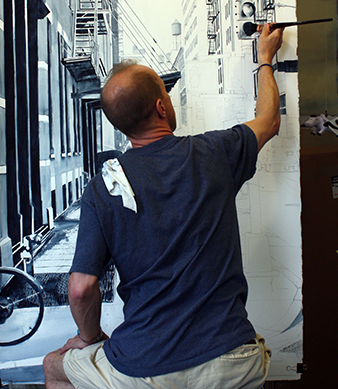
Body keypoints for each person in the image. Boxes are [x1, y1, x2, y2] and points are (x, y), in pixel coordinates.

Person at [43, 23, 284, 389]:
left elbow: (79, 289)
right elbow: (269, 120)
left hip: (144, 369)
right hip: (233, 359)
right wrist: (265, 58)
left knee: (54, 367)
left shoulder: (100, 189)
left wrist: (88, 337)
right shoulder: (215, 153)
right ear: (161, 106)